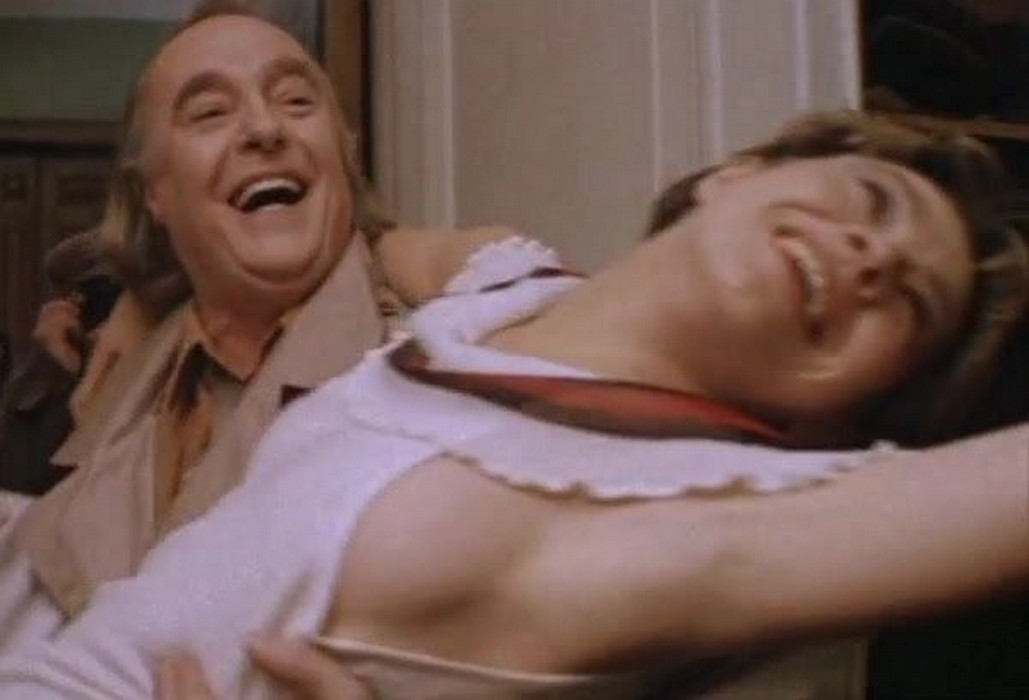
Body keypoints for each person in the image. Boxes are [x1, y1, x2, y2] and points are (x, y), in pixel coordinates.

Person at [0, 110, 1026, 699]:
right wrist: (149, 291)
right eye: (873, 202)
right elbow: (377, 241)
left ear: (854, 397)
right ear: (737, 175)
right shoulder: (510, 293)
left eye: (908, 302)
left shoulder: (693, 513)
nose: (871, 256)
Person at [0, 5, 518, 657]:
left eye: (296, 101)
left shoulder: (450, 365)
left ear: (343, 150)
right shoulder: (103, 383)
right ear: (154, 192)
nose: (266, 129)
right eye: (210, 113)